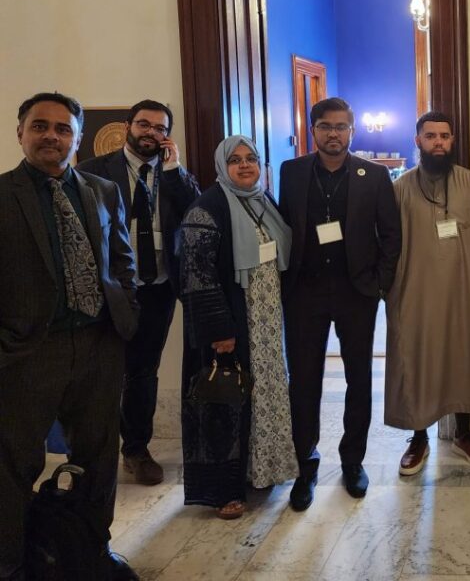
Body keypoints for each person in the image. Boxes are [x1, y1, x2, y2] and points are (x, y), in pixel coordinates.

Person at [0, 92, 140, 581]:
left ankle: (93, 553)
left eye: (63, 129)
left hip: (99, 346)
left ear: (77, 139)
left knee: (98, 460)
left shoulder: (102, 191)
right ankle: (12, 565)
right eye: (40, 126)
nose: (51, 136)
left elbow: (122, 259)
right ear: (20, 132)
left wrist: (127, 310)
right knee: (14, 466)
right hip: (29, 353)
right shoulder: (3, 195)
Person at [279, 97, 401, 508]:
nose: (334, 134)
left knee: (359, 380)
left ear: (353, 131)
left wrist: (379, 284)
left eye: (341, 127)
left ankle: (353, 460)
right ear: (312, 130)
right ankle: (304, 464)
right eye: (326, 127)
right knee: (305, 381)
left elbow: (391, 234)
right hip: (304, 293)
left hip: (356, 293)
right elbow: (284, 228)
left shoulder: (375, 175)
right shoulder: (291, 172)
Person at [78, 99, 201, 486]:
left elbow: (196, 212)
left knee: (143, 372)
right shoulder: (92, 171)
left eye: (160, 128)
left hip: (159, 287)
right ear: (128, 126)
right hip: (111, 289)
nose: (151, 132)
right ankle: (91, 453)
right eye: (144, 124)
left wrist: (174, 168)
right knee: (102, 372)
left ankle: (136, 449)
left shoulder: (172, 173)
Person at [385, 111, 470, 475]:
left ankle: (464, 433)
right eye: (430, 136)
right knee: (418, 358)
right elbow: (389, 244)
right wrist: (394, 288)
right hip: (417, 292)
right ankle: (418, 438)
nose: (438, 142)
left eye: (444, 136)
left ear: (452, 140)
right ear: (418, 141)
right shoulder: (400, 189)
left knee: (465, 356)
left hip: (466, 289)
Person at [178, 135, 297, 519]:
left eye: (252, 159)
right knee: (224, 407)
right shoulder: (206, 209)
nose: (245, 166)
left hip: (264, 326)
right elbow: (197, 277)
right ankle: (223, 489)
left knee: (259, 399)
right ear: (221, 166)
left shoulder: (263, 203)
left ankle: (258, 470)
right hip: (230, 329)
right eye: (235, 160)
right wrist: (219, 331)